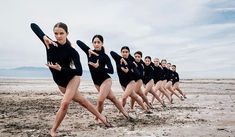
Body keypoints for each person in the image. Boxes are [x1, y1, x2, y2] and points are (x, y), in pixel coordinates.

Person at [30, 23, 111, 136]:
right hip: (60, 83)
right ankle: (102, 117)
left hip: (73, 78)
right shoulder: (49, 43)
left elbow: (79, 71)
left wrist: (61, 68)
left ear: (67, 34)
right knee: (83, 102)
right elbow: (33, 25)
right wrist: (44, 36)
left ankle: (53, 130)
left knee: (65, 103)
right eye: (56, 33)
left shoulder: (72, 51)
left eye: (61, 33)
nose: (58, 36)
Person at [76, 35, 130, 121]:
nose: (96, 44)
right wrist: (88, 49)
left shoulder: (105, 56)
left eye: (98, 42)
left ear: (102, 43)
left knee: (100, 101)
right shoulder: (89, 53)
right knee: (113, 99)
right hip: (96, 83)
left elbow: (111, 70)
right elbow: (78, 42)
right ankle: (126, 115)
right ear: (92, 43)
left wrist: (98, 67)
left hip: (106, 80)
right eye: (95, 42)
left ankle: (98, 118)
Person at [110, 47, 150, 113]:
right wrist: (121, 58)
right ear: (121, 53)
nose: (125, 53)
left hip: (130, 82)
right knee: (135, 97)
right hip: (122, 83)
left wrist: (128, 71)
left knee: (124, 97)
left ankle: (120, 112)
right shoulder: (118, 60)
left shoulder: (131, 63)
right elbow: (111, 52)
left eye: (126, 52)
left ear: (128, 53)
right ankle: (145, 108)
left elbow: (137, 74)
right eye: (123, 52)